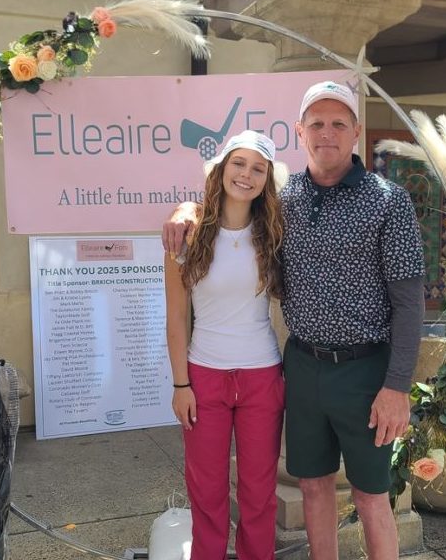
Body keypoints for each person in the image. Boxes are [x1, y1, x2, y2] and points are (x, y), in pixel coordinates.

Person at [163, 82, 425, 560]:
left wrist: (397, 386)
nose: (327, 133)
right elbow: (225, 216)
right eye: (317, 124)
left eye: (339, 124)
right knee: (311, 486)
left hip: (364, 371)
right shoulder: (287, 202)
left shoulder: (388, 200)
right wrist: (185, 210)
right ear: (301, 132)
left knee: (370, 495)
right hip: (301, 366)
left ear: (356, 131)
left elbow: (410, 304)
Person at [164, 129, 288, 560]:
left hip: (261, 377)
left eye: (258, 169)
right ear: (220, 169)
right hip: (204, 378)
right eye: (238, 163)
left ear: (267, 180)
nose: (246, 175)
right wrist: (181, 385)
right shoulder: (188, 235)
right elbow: (176, 317)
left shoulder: (275, 234)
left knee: (259, 493)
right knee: (206, 491)